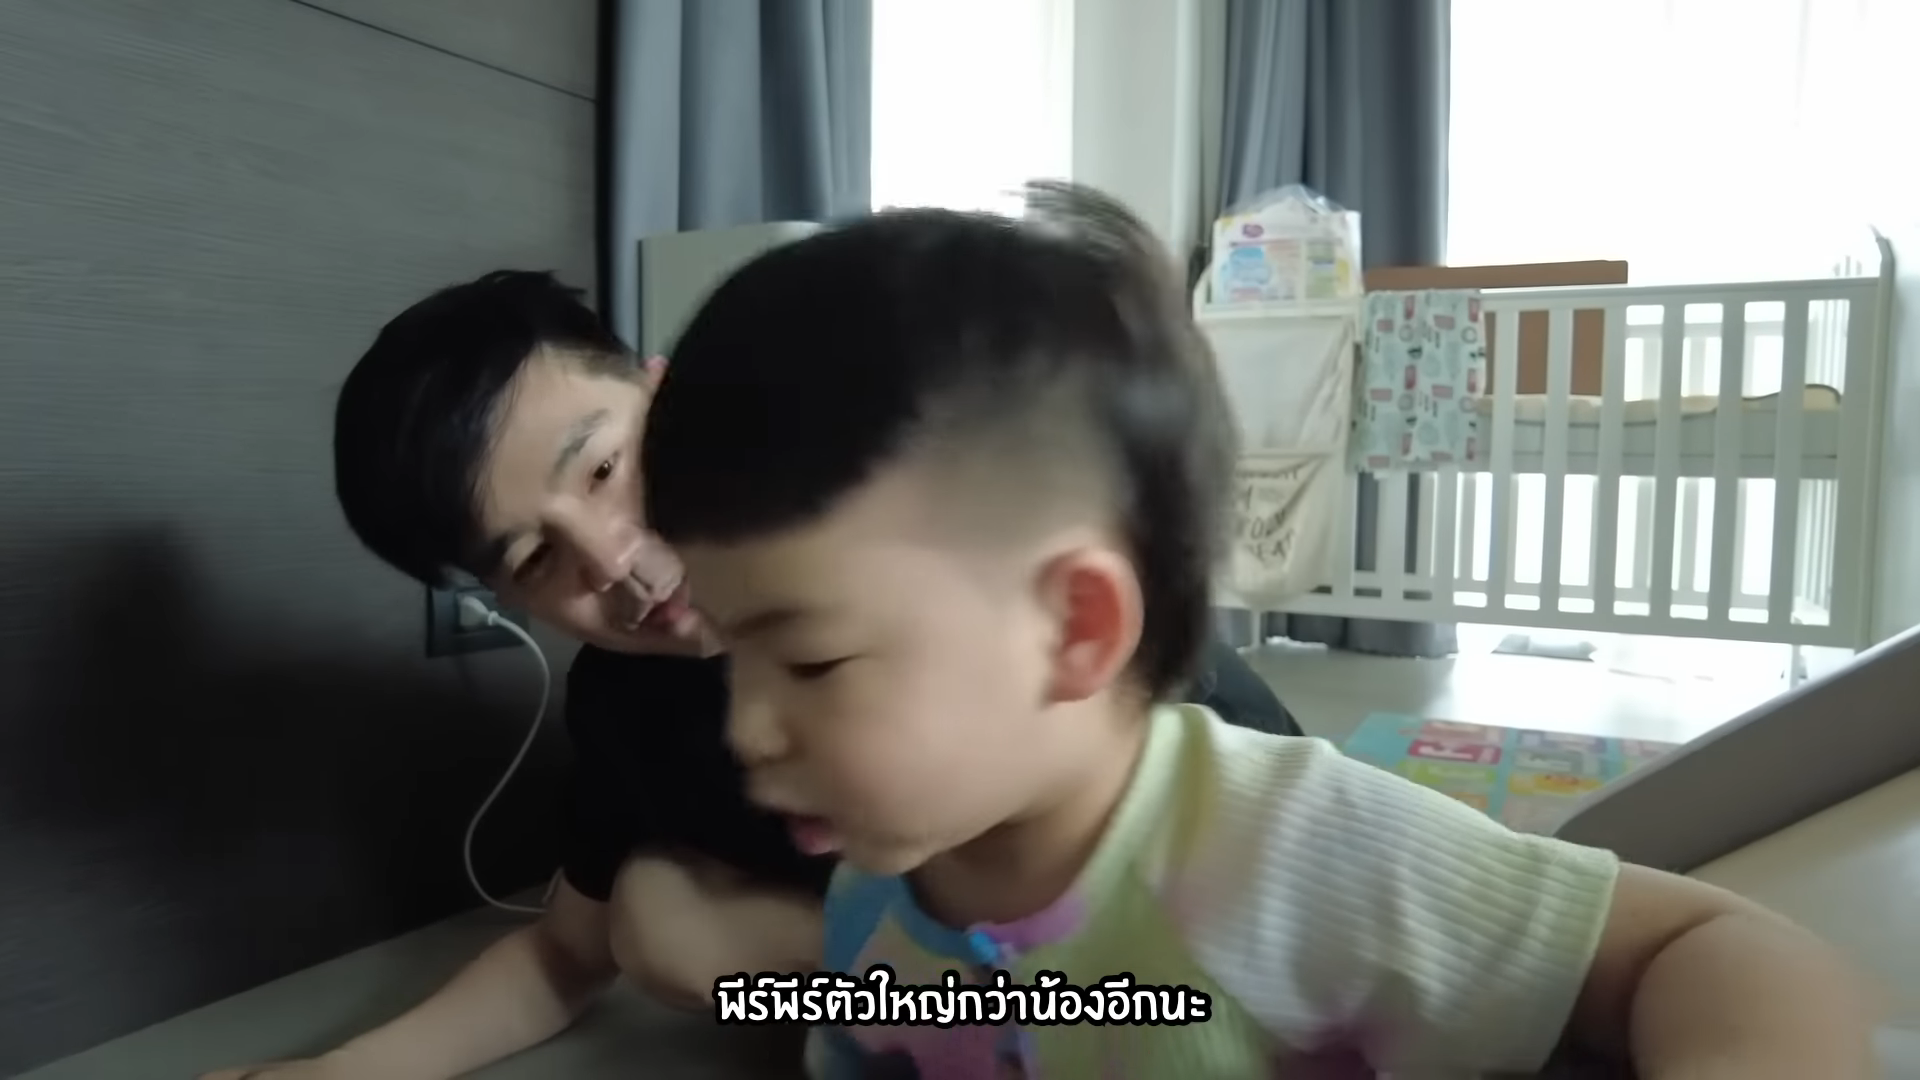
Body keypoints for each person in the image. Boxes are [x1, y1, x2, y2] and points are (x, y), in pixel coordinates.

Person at [638, 182, 1879, 1079]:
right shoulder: (885, 870)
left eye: (810, 660)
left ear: (1073, 627)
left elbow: (1713, 947)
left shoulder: (1295, 853)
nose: (747, 728)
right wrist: (736, 968)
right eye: (732, 650)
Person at [204, 267, 1299, 1079]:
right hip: (963, 993)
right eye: (537, 559)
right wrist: (342, 1070)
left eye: (606, 466)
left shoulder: (920, 557)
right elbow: (566, 955)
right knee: (650, 915)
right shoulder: (625, 700)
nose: (614, 561)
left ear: (676, 395)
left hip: (1181, 946)